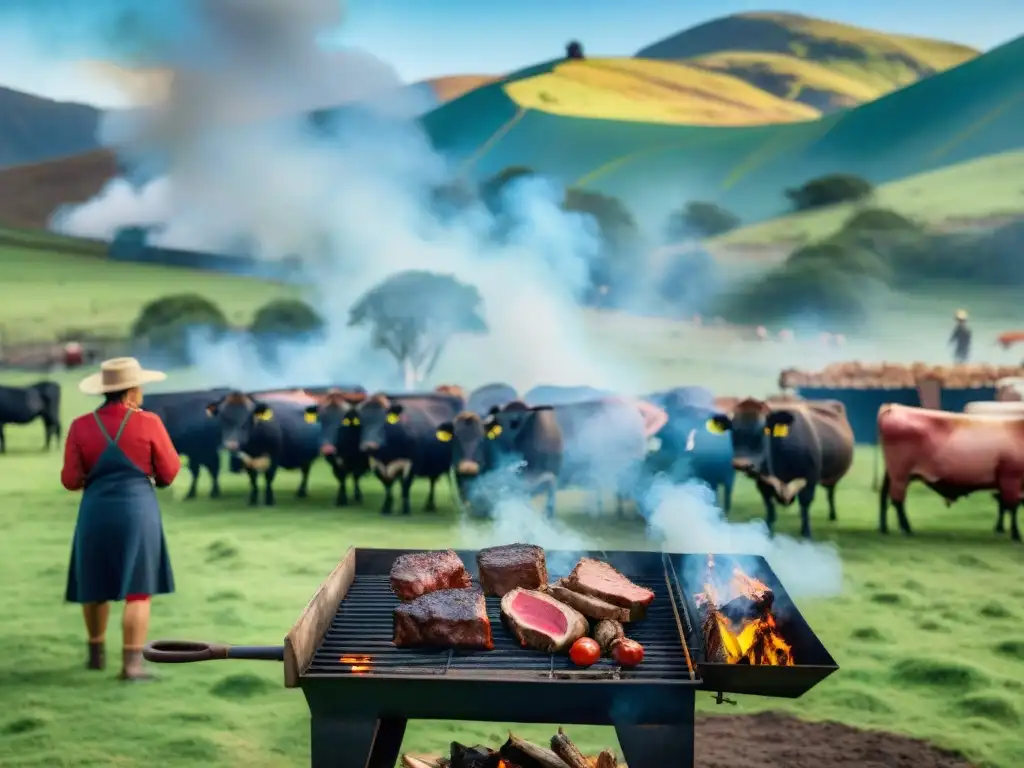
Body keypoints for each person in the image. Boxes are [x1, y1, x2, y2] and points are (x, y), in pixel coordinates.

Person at [61, 357, 180, 681]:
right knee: (138, 590)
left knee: (94, 583)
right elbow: (169, 471)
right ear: (131, 390)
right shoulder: (149, 422)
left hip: (95, 511)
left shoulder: (80, 425)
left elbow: (70, 480)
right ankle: (131, 665)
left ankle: (96, 655)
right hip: (137, 511)